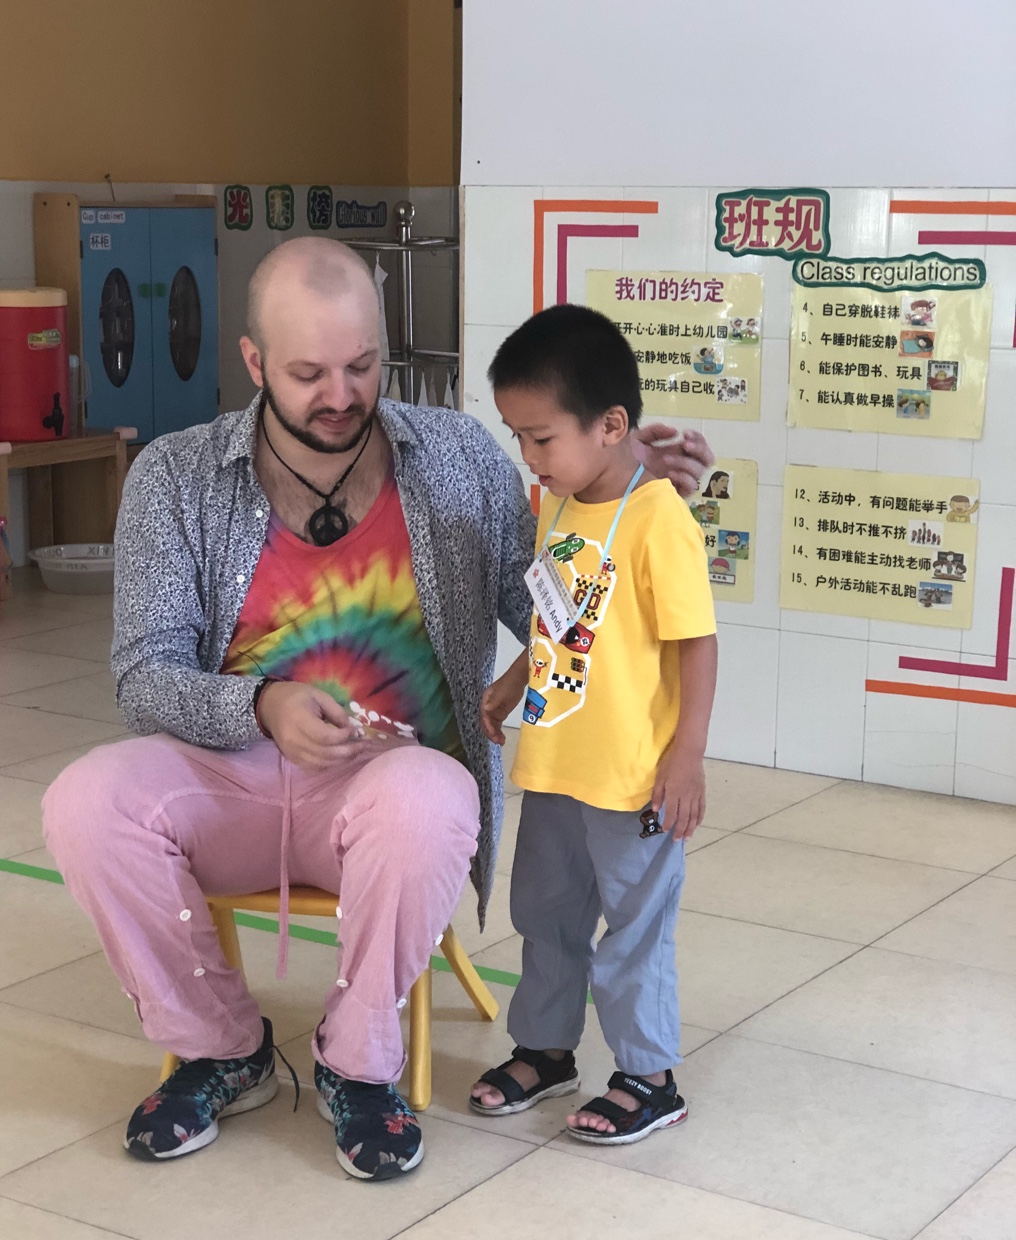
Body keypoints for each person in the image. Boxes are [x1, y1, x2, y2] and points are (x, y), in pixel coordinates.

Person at [42, 239, 715, 1181]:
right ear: (253, 363)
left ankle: (357, 1064)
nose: (341, 394)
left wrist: (621, 490)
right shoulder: (175, 476)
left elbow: (554, 607)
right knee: (84, 802)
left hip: (392, 789)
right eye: (308, 373)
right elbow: (142, 679)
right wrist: (261, 704)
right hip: (231, 775)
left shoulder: (454, 456)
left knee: (429, 796)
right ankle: (220, 1048)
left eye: (362, 366)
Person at [469, 304, 718, 1144]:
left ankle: (649, 1076)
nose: (529, 458)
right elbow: (559, 619)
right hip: (555, 763)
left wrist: (686, 756)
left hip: (633, 776)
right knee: (546, 913)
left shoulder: (659, 520)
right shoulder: (561, 505)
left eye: (541, 438)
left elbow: (696, 644)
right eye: (519, 437)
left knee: (634, 928)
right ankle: (546, 1050)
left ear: (612, 426)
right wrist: (511, 683)